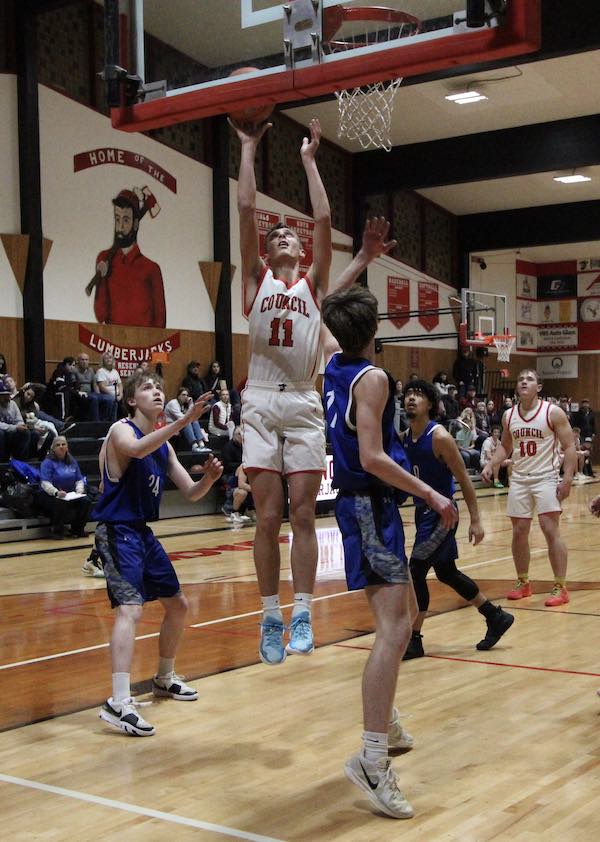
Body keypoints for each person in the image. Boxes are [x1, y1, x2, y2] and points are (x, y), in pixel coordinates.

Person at [322, 285, 457, 820]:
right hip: (370, 506)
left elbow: (324, 310)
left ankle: (388, 718)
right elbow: (374, 455)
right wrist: (429, 492)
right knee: (396, 630)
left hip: (362, 506)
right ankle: (373, 760)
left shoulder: (333, 364)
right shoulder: (373, 377)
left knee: (405, 616)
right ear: (374, 328)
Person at [233, 115, 340, 665]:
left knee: (303, 514)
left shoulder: (314, 284)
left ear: (297, 250)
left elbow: (323, 218)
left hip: (302, 398)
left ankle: (303, 612)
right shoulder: (256, 281)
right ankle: (269, 615)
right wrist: (249, 148)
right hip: (259, 399)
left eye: (287, 235)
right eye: (275, 235)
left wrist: (309, 161)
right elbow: (247, 209)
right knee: (267, 516)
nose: (280, 237)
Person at [94, 371, 222, 737]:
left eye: (158, 388)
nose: (156, 391)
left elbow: (192, 493)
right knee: (130, 609)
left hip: (141, 533)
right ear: (132, 400)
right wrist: (183, 421)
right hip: (117, 529)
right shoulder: (121, 429)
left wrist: (210, 479)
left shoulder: (163, 447)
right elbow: (135, 450)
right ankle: (119, 701)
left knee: (178, 604)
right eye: (147, 388)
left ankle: (164, 678)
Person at [401, 380, 514, 658]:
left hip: (443, 515)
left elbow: (464, 479)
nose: (411, 399)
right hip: (422, 512)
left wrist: (476, 520)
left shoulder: (439, 437)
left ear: (430, 405)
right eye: (408, 395)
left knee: (415, 569)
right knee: (446, 572)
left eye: (418, 395)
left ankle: (414, 639)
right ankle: (494, 616)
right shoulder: (404, 437)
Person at [482, 368, 576, 607]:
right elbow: (505, 447)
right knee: (519, 530)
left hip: (546, 476)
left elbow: (569, 446)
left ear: (539, 387)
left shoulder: (552, 412)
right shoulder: (509, 415)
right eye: (521, 379)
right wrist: (491, 464)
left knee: (548, 527)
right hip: (520, 478)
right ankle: (523, 582)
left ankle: (560, 586)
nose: (524, 381)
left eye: (530, 379)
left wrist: (567, 479)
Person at [93, 189, 166, 328]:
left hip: (144, 348)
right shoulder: (104, 259)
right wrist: (101, 278)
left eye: (126, 220)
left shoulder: (152, 269)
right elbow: (100, 315)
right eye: (117, 219)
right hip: (113, 348)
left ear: (136, 224)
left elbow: (160, 324)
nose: (120, 227)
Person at [37, 436, 92, 538]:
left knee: (86, 500)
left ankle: (77, 529)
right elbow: (45, 483)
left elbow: (79, 479)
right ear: (53, 448)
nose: (61, 447)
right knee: (60, 502)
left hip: (69, 494)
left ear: (67, 447)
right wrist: (56, 492)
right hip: (49, 495)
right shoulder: (47, 463)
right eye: (58, 445)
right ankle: (56, 530)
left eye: (63, 444)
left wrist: (79, 491)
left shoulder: (72, 461)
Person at [164, 387, 211, 452]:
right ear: (178, 396)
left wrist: (190, 404)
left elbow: (190, 416)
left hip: (178, 424)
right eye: (183, 395)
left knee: (194, 421)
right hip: (170, 425)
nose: (185, 397)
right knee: (187, 422)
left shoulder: (182, 405)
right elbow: (183, 418)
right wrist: (191, 409)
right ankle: (194, 445)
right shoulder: (173, 403)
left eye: (187, 395)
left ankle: (201, 444)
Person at [95, 352, 122, 421]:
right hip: (105, 395)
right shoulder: (101, 371)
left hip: (116, 395)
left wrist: (121, 395)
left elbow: (120, 385)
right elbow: (102, 387)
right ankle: (106, 422)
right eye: (106, 358)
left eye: (110, 358)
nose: (108, 360)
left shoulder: (115, 371)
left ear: (113, 360)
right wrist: (113, 395)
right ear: (103, 361)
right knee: (111, 399)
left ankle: (115, 422)